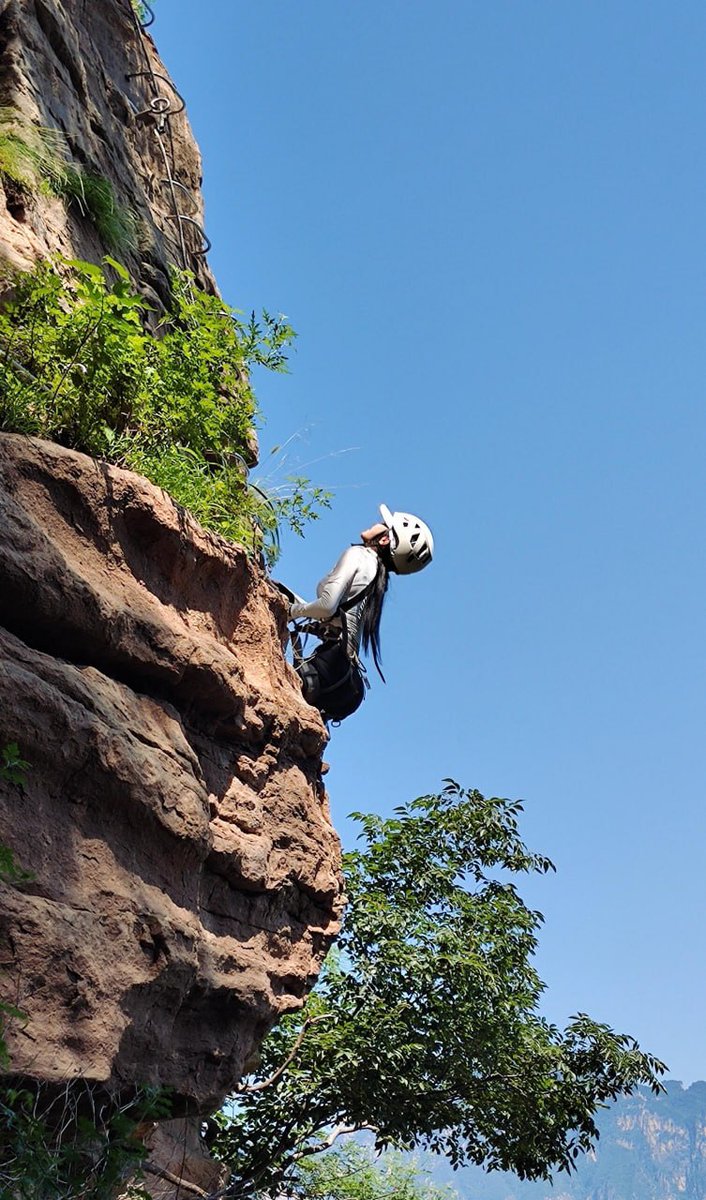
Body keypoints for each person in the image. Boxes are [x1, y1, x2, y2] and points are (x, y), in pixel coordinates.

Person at [285, 504, 434, 722]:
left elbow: (327, 606)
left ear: (385, 539)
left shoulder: (359, 555)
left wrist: (290, 611)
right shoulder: (377, 578)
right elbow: (339, 621)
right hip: (345, 683)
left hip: (328, 668)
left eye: (384, 525)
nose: (376, 524)